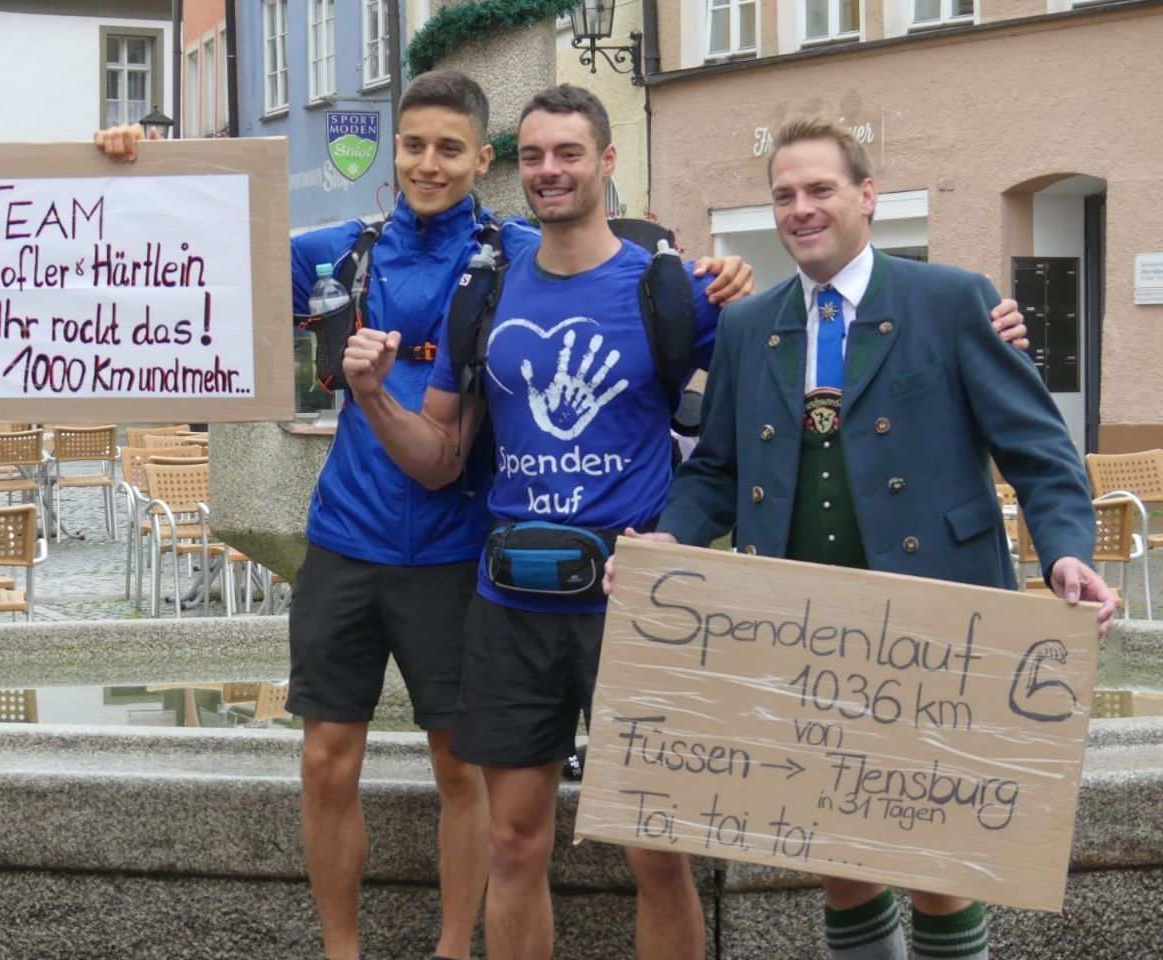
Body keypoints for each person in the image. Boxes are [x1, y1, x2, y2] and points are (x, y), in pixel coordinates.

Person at [341, 87, 1029, 960]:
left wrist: (996, 323)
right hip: (511, 596)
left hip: (642, 606)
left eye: (570, 153)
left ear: (607, 162)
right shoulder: (485, 292)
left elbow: (756, 409)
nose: (551, 171)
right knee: (514, 845)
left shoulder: (688, 296)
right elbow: (443, 457)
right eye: (537, 157)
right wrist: (368, 397)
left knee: (664, 855)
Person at [96, 71, 752, 960]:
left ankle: (452, 948)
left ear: (484, 161)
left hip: (488, 557)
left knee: (556, 810)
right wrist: (142, 170)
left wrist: (729, 281)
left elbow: (754, 384)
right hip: (382, 547)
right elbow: (204, 254)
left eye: (452, 148)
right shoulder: (379, 260)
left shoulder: (550, 261)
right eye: (414, 145)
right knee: (348, 768)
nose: (429, 162)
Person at [608, 115, 1115, 960]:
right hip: (801, 629)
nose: (801, 209)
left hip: (936, 628)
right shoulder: (748, 326)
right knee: (835, 854)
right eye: (784, 196)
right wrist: (672, 541)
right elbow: (715, 472)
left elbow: (1042, 453)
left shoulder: (951, 300)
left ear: (867, 197)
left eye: (820, 190)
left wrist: (1067, 551)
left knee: (935, 857)